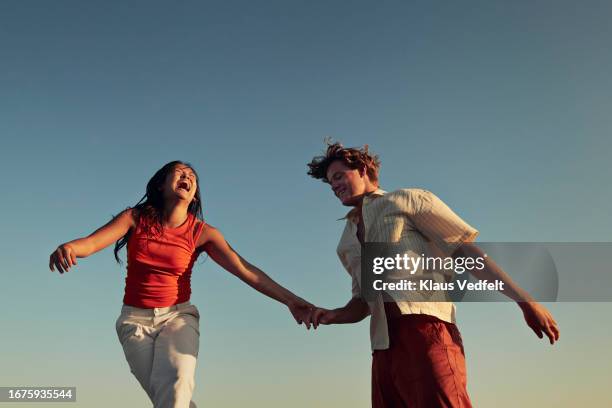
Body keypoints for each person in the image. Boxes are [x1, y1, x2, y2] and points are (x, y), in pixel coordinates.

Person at [306, 142, 560, 408]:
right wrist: (333, 315)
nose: (333, 185)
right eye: (329, 182)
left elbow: (465, 251)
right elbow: (363, 302)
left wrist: (524, 300)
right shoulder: (345, 240)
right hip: (382, 348)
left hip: (426, 330)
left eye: (338, 176)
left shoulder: (406, 200)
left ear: (364, 170)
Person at [49, 160, 314, 408]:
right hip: (134, 322)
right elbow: (92, 242)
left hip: (178, 317)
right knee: (171, 399)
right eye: (179, 172)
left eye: (192, 176)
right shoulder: (135, 218)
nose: (186, 176)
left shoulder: (203, 233)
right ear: (161, 184)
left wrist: (289, 299)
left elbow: (246, 270)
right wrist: (70, 247)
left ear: (194, 195)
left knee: (177, 385)